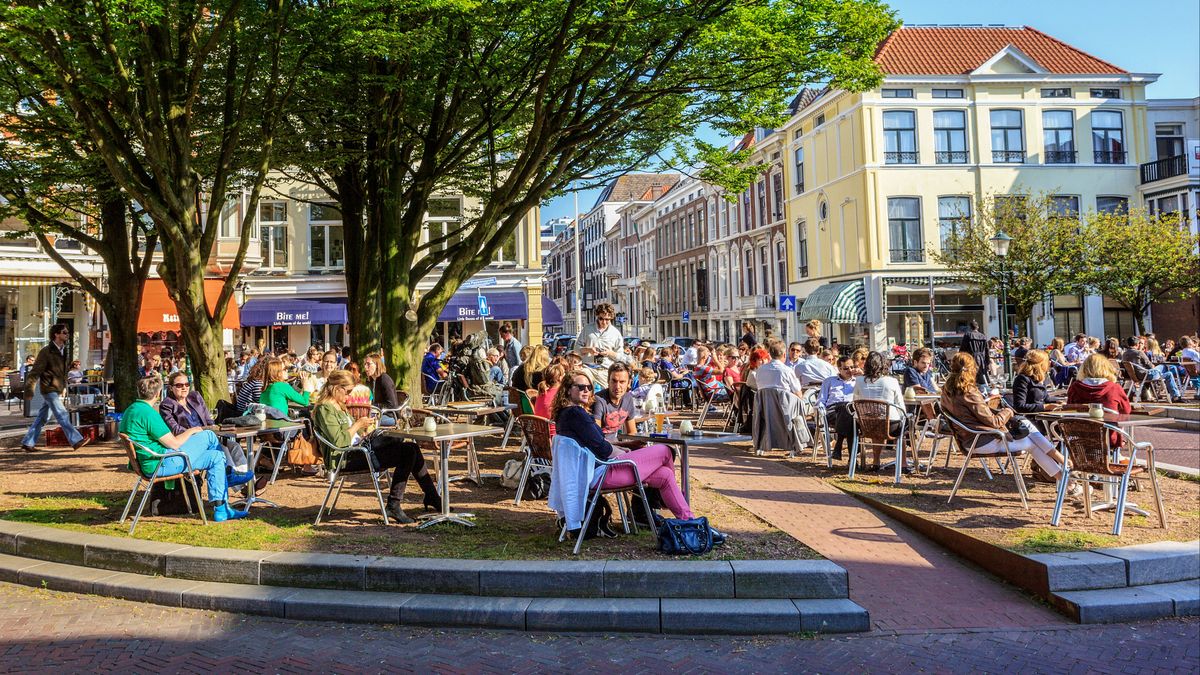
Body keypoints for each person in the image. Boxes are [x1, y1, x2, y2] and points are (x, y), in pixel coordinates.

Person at [553, 370, 695, 521]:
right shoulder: (575, 414)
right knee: (665, 450)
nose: (586, 390)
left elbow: (594, 443)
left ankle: (689, 521)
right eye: (581, 387)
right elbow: (603, 448)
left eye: (589, 387)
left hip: (594, 471)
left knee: (665, 475)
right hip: (601, 473)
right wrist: (626, 454)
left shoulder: (568, 413)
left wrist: (624, 448)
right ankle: (659, 501)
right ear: (568, 389)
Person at [311, 370, 441, 524]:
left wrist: (366, 429)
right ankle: (398, 504)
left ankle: (427, 496)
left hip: (360, 450)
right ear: (337, 388)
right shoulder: (324, 409)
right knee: (407, 451)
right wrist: (358, 424)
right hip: (344, 458)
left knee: (409, 447)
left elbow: (356, 433)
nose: (349, 396)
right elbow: (339, 441)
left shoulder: (339, 405)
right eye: (348, 392)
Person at [120, 374, 251, 522]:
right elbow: (174, 443)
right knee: (208, 435)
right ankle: (227, 476)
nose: (184, 387)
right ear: (158, 393)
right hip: (162, 462)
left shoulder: (130, 410)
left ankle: (221, 509)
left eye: (186, 384)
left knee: (216, 457)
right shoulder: (149, 414)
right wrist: (192, 430)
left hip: (153, 462)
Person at [940, 352, 1076, 492]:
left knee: (1029, 431)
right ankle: (1066, 476)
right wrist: (1007, 411)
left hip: (970, 438)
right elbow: (995, 422)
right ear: (973, 369)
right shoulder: (969, 392)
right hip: (981, 440)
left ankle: (1065, 474)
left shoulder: (947, 390)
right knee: (1033, 442)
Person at [20, 324, 89, 453]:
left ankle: (28, 442)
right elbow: (35, 372)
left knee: (43, 417)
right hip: (48, 388)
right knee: (62, 414)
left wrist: (64, 384)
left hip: (57, 388)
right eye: (64, 332)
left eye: (67, 333)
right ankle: (76, 440)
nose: (67, 335)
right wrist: (29, 390)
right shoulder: (46, 351)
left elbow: (62, 372)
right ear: (56, 334)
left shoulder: (64, 350)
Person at [847, 351, 906, 472]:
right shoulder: (892, 381)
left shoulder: (858, 381)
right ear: (884, 365)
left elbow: (855, 401)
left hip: (865, 424)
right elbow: (900, 405)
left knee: (875, 421)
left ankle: (876, 461)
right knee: (903, 427)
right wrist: (904, 416)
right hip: (890, 424)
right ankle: (903, 464)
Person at [1120, 336, 1183, 403]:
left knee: (1168, 373)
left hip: (1135, 376)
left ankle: (1173, 395)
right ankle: (1175, 396)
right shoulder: (1139, 353)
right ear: (1137, 344)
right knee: (1164, 367)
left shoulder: (1124, 354)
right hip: (1146, 376)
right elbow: (1150, 365)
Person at [818, 356, 857, 460]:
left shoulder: (857, 382)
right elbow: (821, 400)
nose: (850, 370)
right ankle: (852, 460)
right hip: (832, 411)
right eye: (846, 368)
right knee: (846, 411)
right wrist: (821, 411)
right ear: (839, 369)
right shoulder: (829, 381)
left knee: (848, 414)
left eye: (852, 367)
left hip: (852, 412)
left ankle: (839, 444)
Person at [576, 303, 630, 373]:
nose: (604, 322)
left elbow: (621, 357)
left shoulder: (616, 333)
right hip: (588, 368)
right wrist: (588, 350)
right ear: (597, 316)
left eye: (607, 319)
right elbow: (576, 349)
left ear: (611, 318)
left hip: (606, 369)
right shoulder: (587, 329)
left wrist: (609, 353)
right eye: (601, 319)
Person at [592, 363, 638, 440]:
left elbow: (632, 432)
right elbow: (596, 437)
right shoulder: (598, 400)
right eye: (614, 381)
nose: (617, 386)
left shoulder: (628, 398)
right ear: (608, 381)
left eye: (622, 382)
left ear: (629, 383)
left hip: (617, 445)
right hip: (600, 447)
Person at [1010, 350, 1059, 414]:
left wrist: (1059, 402)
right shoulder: (1022, 379)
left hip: (1042, 415)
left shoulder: (1038, 378)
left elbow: (1046, 398)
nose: (1049, 363)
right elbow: (1019, 407)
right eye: (1047, 361)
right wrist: (1045, 407)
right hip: (1032, 417)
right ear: (1040, 364)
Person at [959, 320, 990, 387]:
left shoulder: (968, 335)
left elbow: (963, 348)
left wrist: (960, 359)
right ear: (977, 327)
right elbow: (987, 350)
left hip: (971, 358)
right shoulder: (983, 336)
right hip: (981, 359)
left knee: (971, 376)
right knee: (981, 378)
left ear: (970, 327)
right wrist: (987, 362)